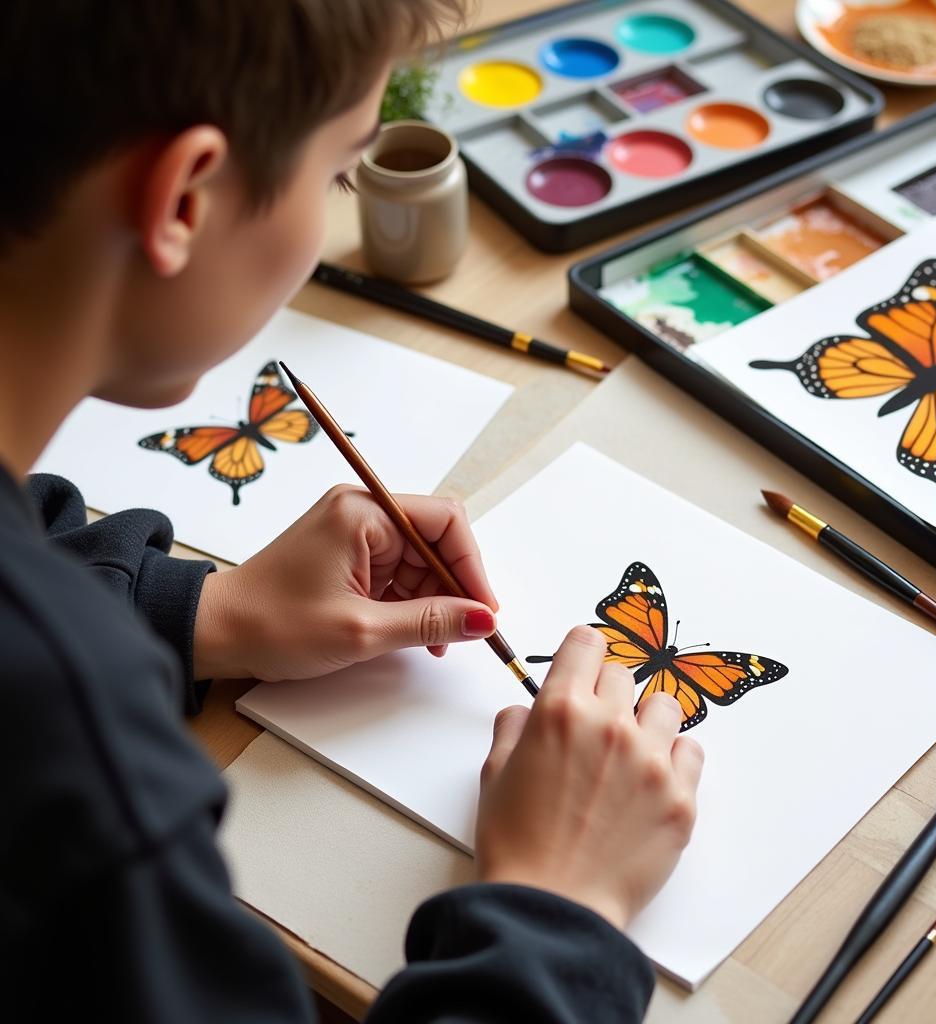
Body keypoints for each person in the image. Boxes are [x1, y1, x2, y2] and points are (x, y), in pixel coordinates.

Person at [0, 2, 704, 1021]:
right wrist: (559, 903)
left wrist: (189, 610)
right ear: (185, 200)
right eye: (340, 171)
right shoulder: (71, 747)